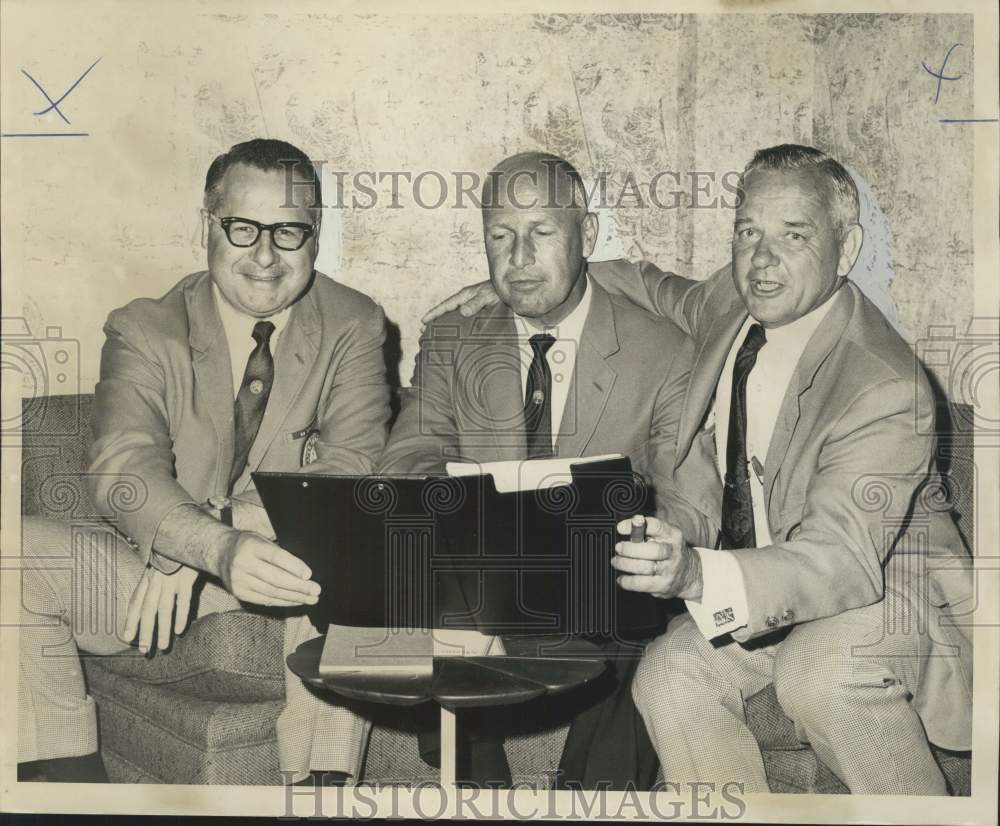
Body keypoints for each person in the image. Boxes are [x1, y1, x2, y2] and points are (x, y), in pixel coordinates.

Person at [424, 143, 973, 794]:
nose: (761, 260)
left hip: (879, 584)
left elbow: (840, 561)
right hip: (766, 581)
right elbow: (636, 277)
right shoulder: (731, 303)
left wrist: (692, 570)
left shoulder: (883, 383)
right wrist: (522, 279)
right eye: (747, 232)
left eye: (793, 235)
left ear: (845, 248)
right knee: (668, 676)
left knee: (818, 674)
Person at [18, 138, 392, 784]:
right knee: (13, 553)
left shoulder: (355, 324)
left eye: (289, 232)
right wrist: (206, 549)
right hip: (153, 575)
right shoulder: (144, 328)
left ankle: (319, 788)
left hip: (290, 567)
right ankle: (67, 784)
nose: (266, 256)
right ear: (207, 226)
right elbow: (123, 471)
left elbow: (350, 470)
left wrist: (218, 533)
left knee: (351, 538)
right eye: (243, 228)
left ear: (317, 235)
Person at [379, 151, 703, 789]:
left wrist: (650, 541)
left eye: (541, 233)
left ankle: (591, 800)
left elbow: (691, 498)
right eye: (499, 236)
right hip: (480, 575)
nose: (518, 257)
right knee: (407, 585)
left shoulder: (664, 352)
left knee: (644, 629)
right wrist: (464, 507)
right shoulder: (452, 339)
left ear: (588, 232)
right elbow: (408, 455)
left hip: (603, 580)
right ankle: (479, 793)